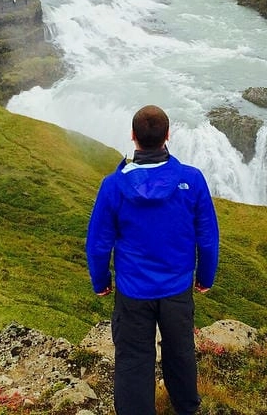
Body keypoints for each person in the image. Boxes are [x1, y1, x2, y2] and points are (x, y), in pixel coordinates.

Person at [86, 105, 220, 415]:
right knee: (180, 351)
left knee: (134, 358)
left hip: (133, 292)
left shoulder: (114, 185)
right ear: (168, 136)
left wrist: (101, 281)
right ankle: (186, 407)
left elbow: (98, 244)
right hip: (177, 288)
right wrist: (205, 277)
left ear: (133, 137)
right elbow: (208, 238)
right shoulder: (193, 179)